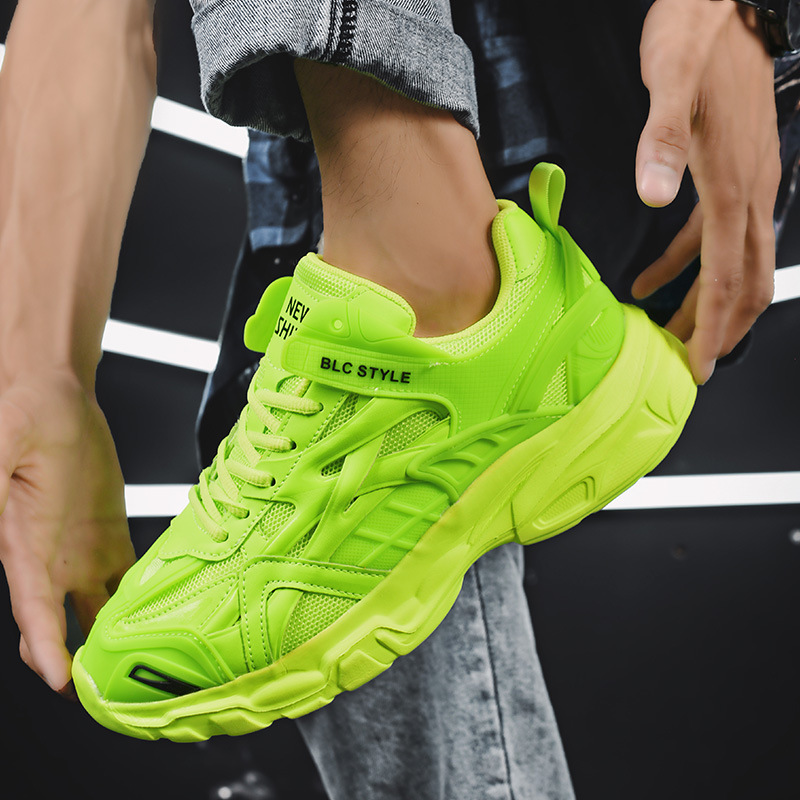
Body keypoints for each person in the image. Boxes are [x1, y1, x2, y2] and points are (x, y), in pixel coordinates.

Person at [0, 0, 791, 797]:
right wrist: (42, 374)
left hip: (614, 97)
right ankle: (446, 304)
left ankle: (433, 291)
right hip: (346, 187)